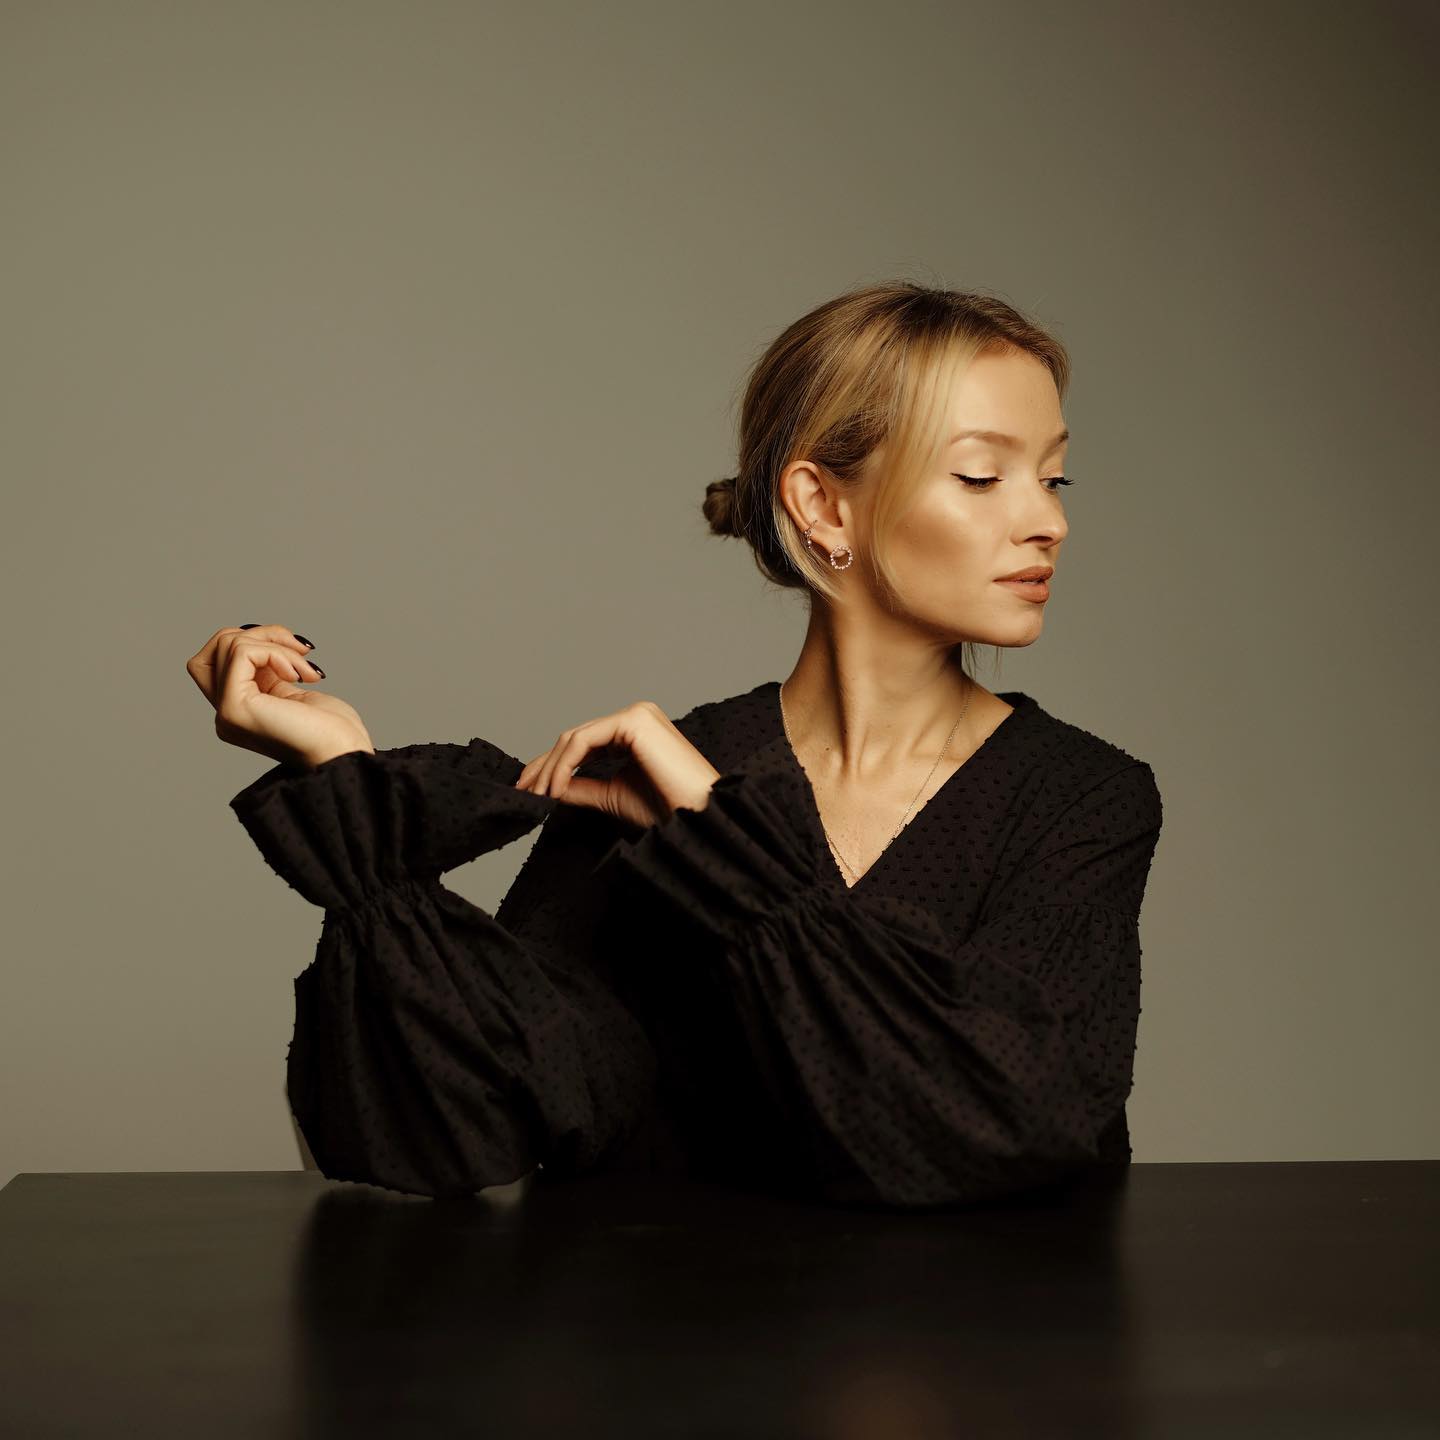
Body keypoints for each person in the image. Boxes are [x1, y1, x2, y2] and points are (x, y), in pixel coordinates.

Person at [186, 282, 1164, 1211]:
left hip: (996, 1331)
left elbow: (996, 1124)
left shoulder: (1084, 798)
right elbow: (468, 1124)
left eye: (1055, 477)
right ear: (823, 506)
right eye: (983, 477)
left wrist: (717, 838)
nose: (1050, 521)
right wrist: (343, 779)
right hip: (688, 1333)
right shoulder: (665, 772)